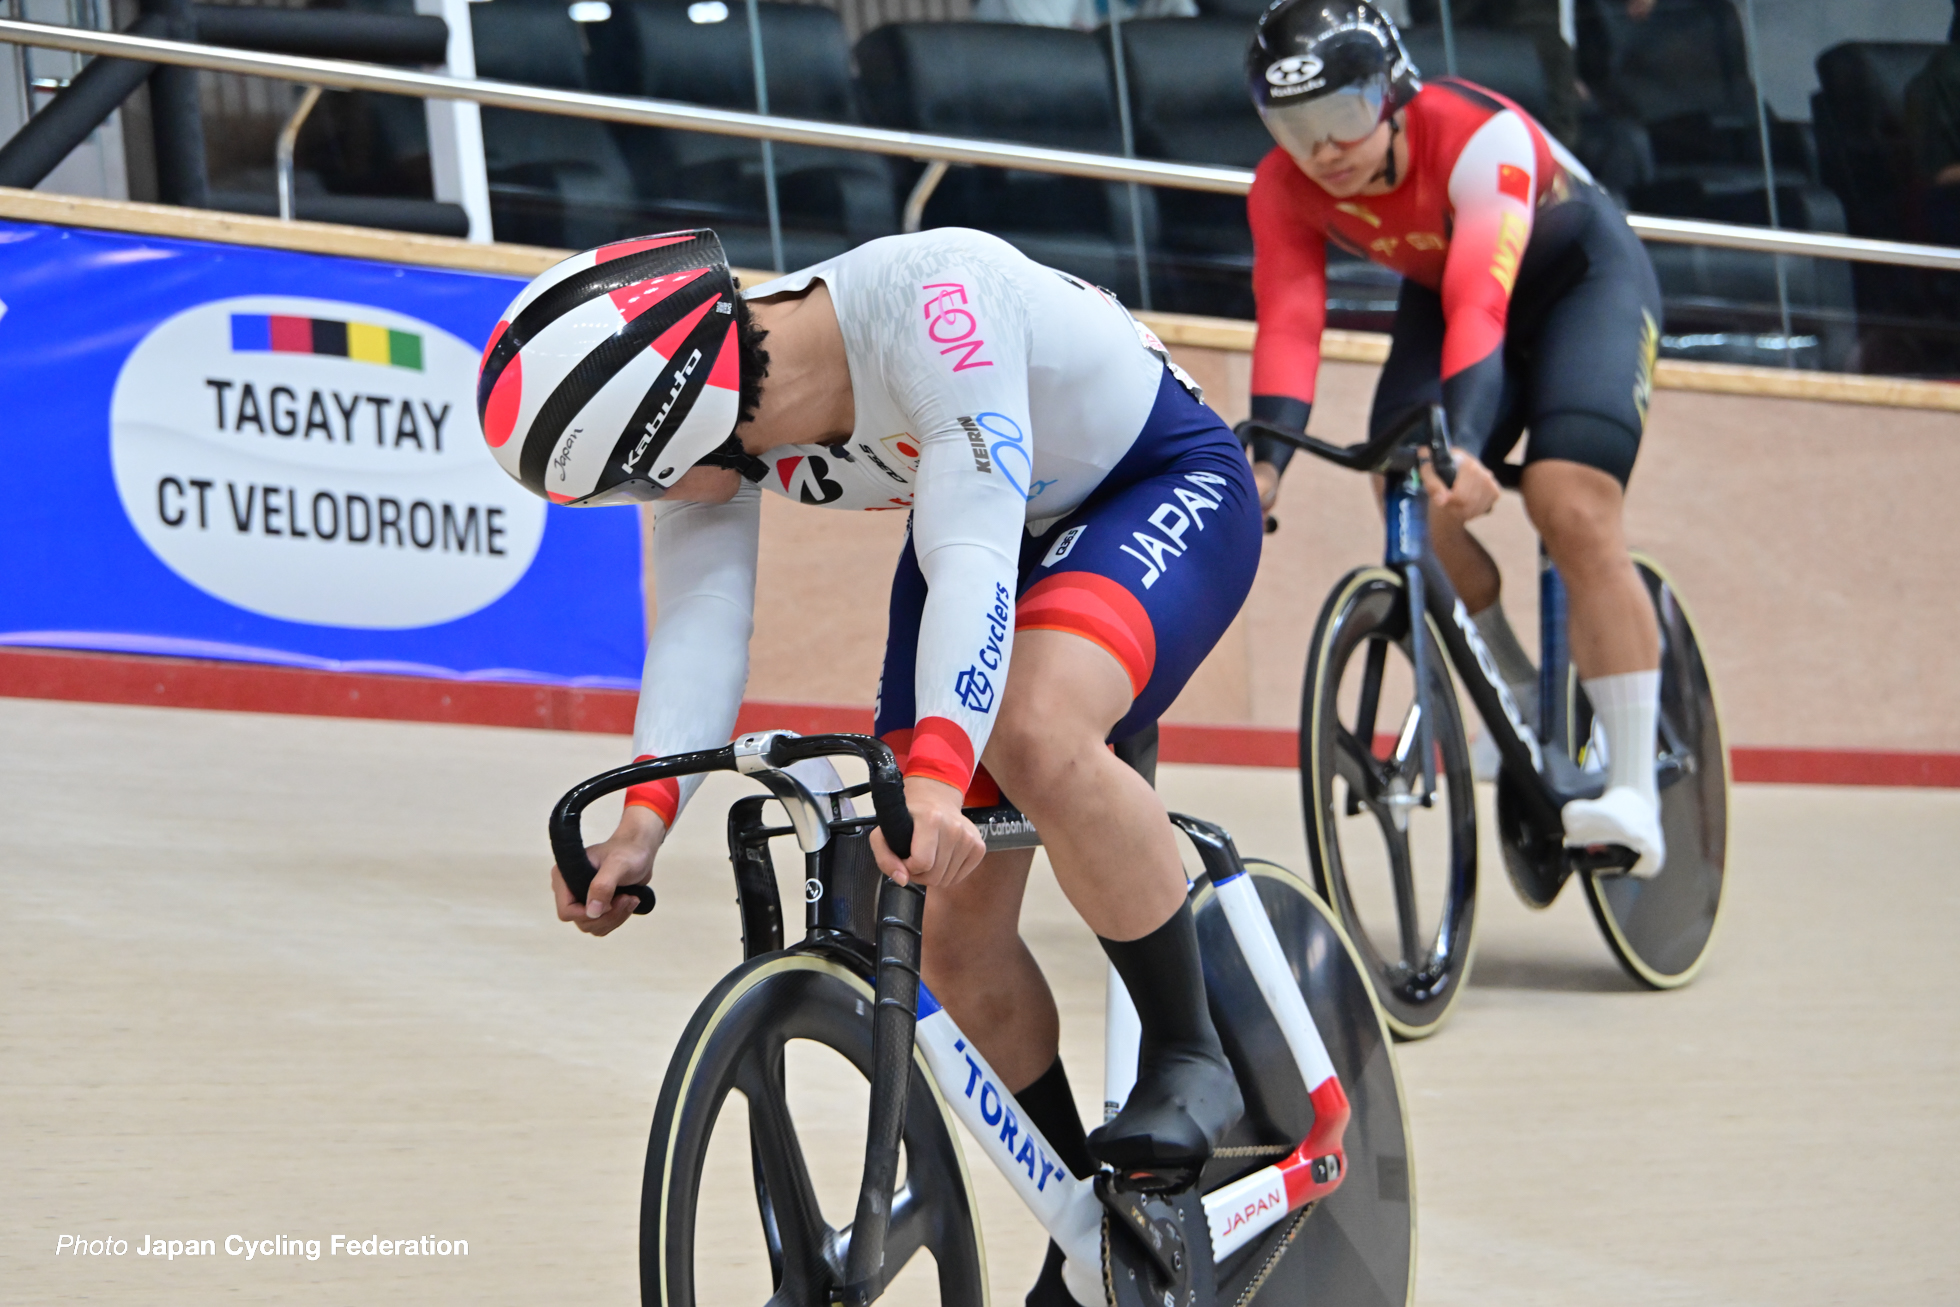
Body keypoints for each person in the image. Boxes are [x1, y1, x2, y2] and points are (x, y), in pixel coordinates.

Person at [481, 227, 1262, 1300]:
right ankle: (1094, 1233)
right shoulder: (705, 399)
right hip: (995, 518)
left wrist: (941, 771)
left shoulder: (934, 303)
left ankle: (1189, 1052)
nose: (637, 504)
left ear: (680, 417)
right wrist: (644, 816)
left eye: (626, 484)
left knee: (1031, 728)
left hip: (1147, 484)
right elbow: (703, 620)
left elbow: (972, 557)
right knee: (937, 917)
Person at [1240, 0, 1669, 875]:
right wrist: (1266, 462)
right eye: (1295, 127)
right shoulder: (1283, 189)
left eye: (1343, 116)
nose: (1323, 150)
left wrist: (1467, 444)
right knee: (1406, 492)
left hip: (1579, 279)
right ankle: (1513, 690)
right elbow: (1289, 320)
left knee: (1567, 500)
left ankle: (1634, 790)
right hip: (1450, 292)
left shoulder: (1480, 138)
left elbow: (1482, 300)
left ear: (1393, 93)